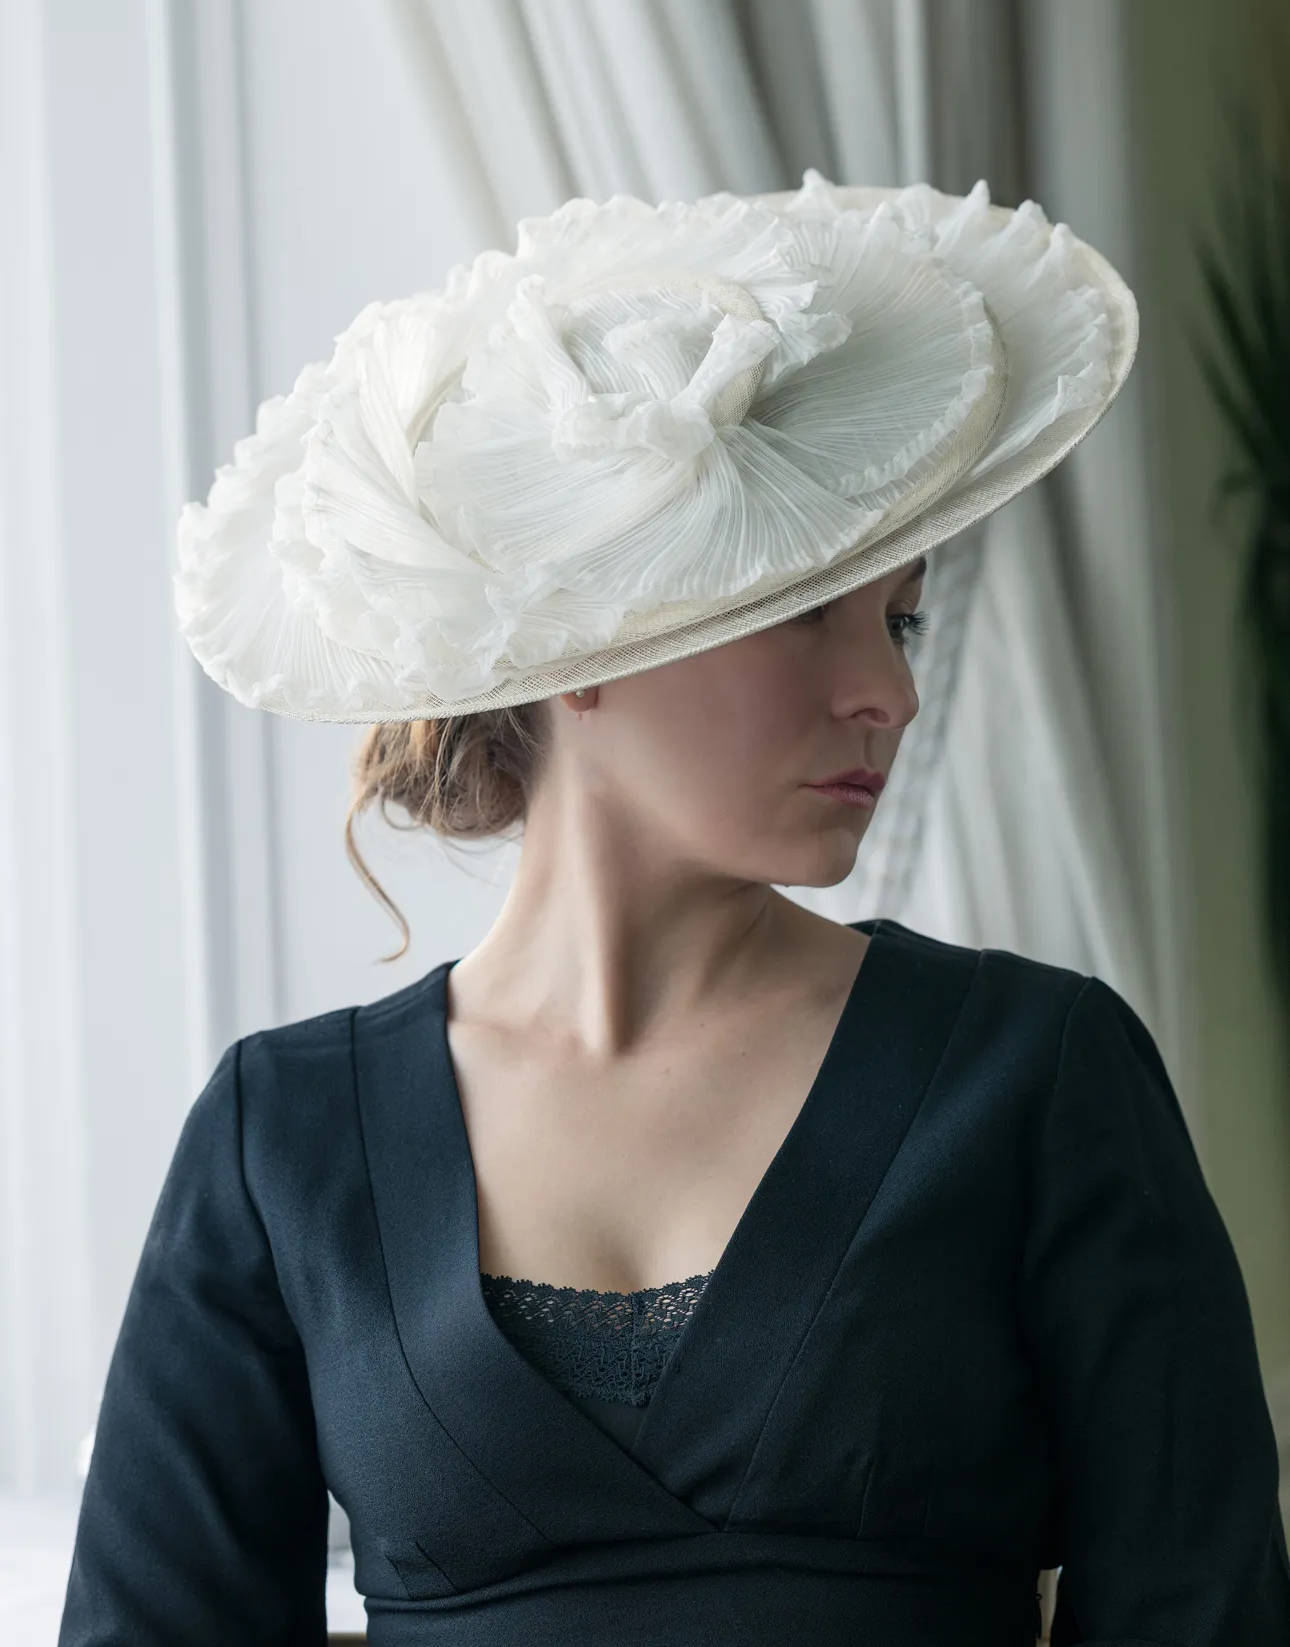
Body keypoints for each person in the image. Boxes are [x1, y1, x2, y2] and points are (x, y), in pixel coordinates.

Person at [60, 176, 1290, 1644]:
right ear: (581, 644)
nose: (888, 692)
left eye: (898, 617)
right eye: (803, 614)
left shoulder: (1037, 1075)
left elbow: (1200, 1611)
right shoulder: (284, 1140)